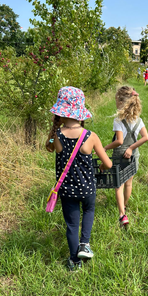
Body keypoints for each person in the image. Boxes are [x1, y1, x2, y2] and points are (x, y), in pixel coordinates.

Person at [46, 87, 112, 271]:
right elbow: (108, 164)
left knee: (72, 225)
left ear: (60, 113)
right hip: (88, 188)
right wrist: (99, 166)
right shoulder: (90, 136)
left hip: (67, 190)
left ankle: (74, 262)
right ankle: (85, 244)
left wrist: (54, 128)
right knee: (89, 211)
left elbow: (49, 147)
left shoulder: (56, 136)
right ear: (80, 112)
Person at [104, 86, 148, 227]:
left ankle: (122, 214)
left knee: (119, 186)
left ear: (121, 102)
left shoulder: (118, 120)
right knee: (129, 183)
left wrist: (105, 147)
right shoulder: (138, 119)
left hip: (120, 157)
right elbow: (145, 137)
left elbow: (119, 141)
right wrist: (132, 148)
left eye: (116, 99)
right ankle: (125, 207)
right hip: (133, 156)